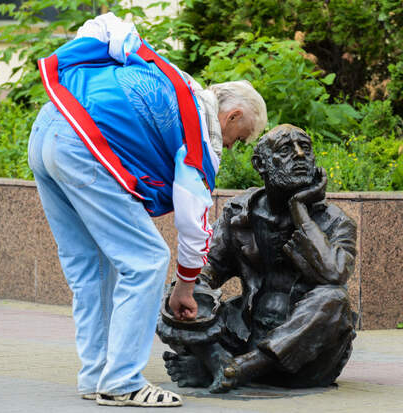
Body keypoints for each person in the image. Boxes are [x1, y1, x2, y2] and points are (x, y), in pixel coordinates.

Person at [27, 12, 267, 407]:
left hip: (49, 127)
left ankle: (96, 376)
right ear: (233, 115)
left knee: (92, 265)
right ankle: (122, 381)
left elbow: (106, 25)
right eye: (237, 137)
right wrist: (184, 289)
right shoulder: (201, 132)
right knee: (148, 259)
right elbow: (194, 223)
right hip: (83, 147)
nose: (232, 146)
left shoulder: (174, 79)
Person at [158, 124, 357, 393]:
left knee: (333, 299)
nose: (300, 155)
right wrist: (192, 291)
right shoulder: (239, 213)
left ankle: (236, 369)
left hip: (307, 353)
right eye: (286, 149)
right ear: (260, 164)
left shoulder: (335, 221)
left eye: (305, 148)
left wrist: (300, 212)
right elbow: (205, 269)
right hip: (245, 333)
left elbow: (334, 274)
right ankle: (219, 362)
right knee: (180, 292)